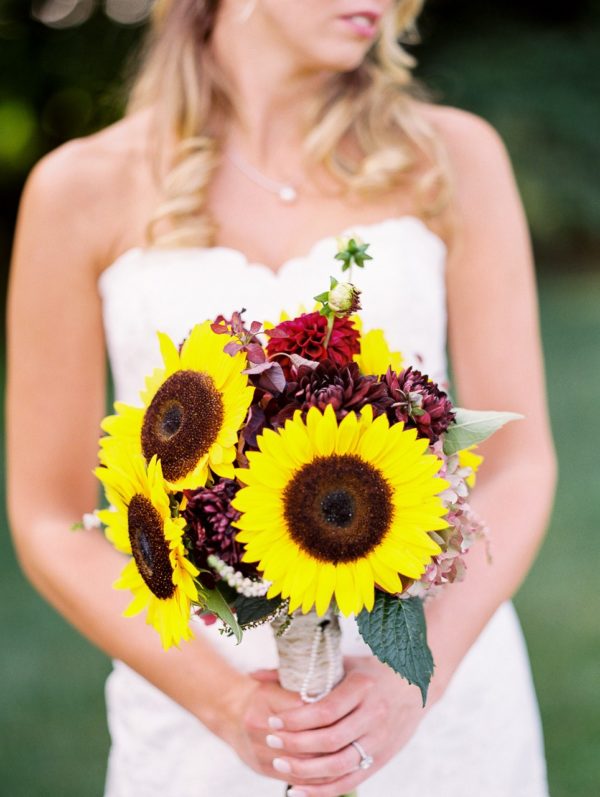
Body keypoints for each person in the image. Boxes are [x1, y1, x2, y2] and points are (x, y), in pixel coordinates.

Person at [6, 1, 557, 795]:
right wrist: (226, 701)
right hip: (197, 717)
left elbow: (520, 464)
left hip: (442, 700)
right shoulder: (79, 188)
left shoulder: (453, 158)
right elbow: (45, 516)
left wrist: (414, 679)